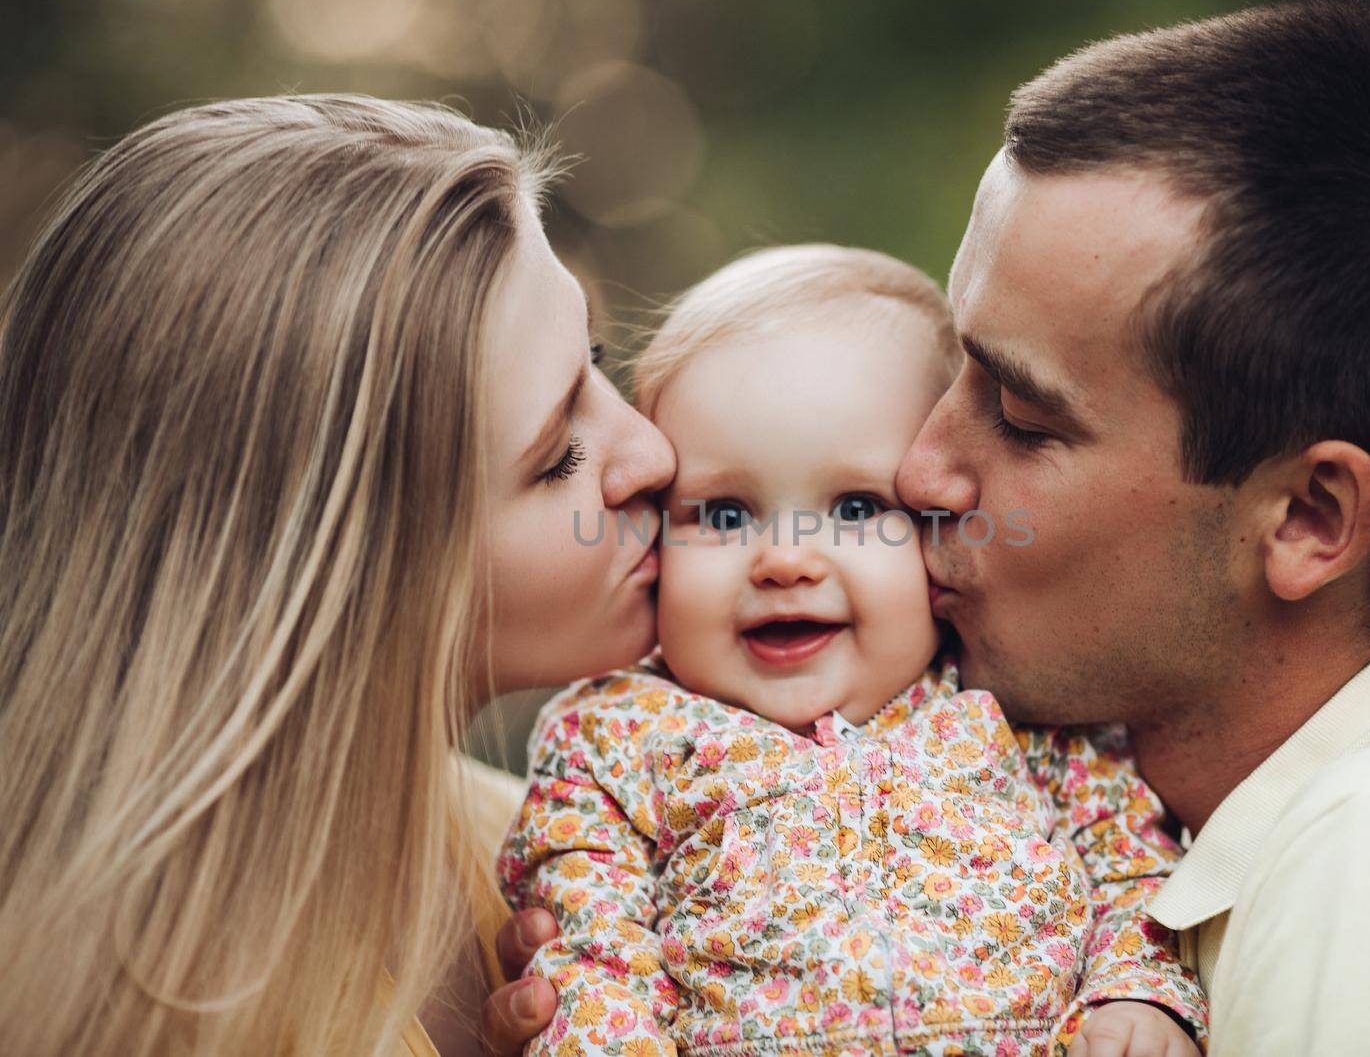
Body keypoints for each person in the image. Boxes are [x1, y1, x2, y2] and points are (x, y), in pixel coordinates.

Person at [889, 0, 1370, 1055]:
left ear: (1309, 518)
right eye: (953, 366)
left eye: (1024, 418)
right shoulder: (1167, 832)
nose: (918, 467)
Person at [0, 94, 675, 1057]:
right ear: (337, 571)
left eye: (598, 363)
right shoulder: (168, 1021)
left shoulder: (560, 851)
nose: (650, 451)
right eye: (556, 452)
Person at [495, 245, 1206, 1057]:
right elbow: (594, 957)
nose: (786, 560)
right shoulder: (615, 740)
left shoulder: (1018, 712)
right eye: (725, 515)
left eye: (858, 506)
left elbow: (1135, 874)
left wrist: (1140, 1000)